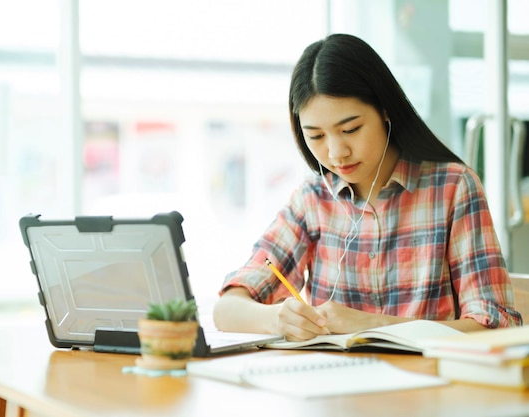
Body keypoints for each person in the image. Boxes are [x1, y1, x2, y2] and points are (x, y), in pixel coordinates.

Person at [212, 33, 523, 341]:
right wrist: (277, 319)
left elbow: (495, 324)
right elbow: (226, 310)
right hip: (334, 384)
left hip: (426, 385)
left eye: (350, 129)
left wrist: (370, 325)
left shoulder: (453, 187)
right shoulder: (313, 199)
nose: (336, 152)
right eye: (317, 136)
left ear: (385, 111)